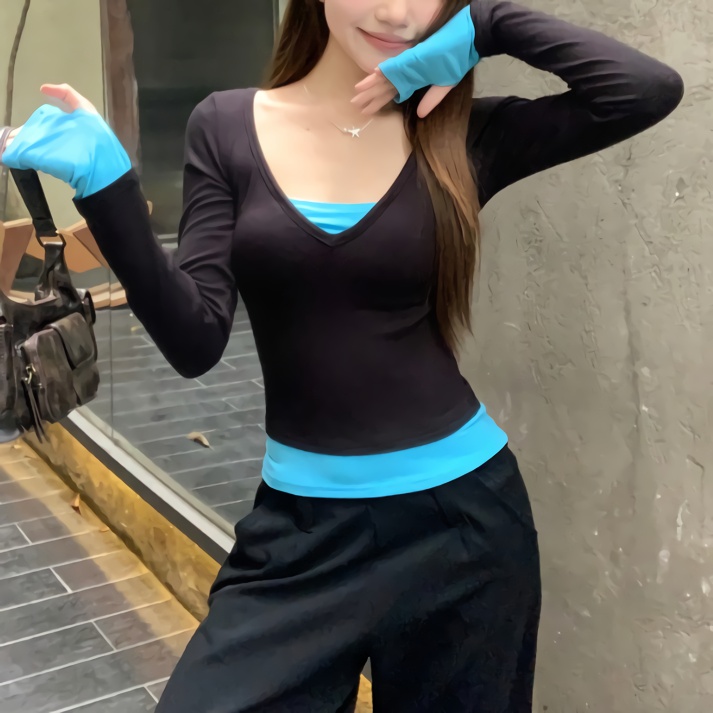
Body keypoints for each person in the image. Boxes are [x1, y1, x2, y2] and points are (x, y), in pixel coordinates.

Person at [1, 1, 683, 710]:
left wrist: (488, 25)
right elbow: (194, 340)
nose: (395, 11)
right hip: (300, 539)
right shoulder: (227, 124)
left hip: (464, 528)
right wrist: (108, 187)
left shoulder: (458, 132)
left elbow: (644, 89)